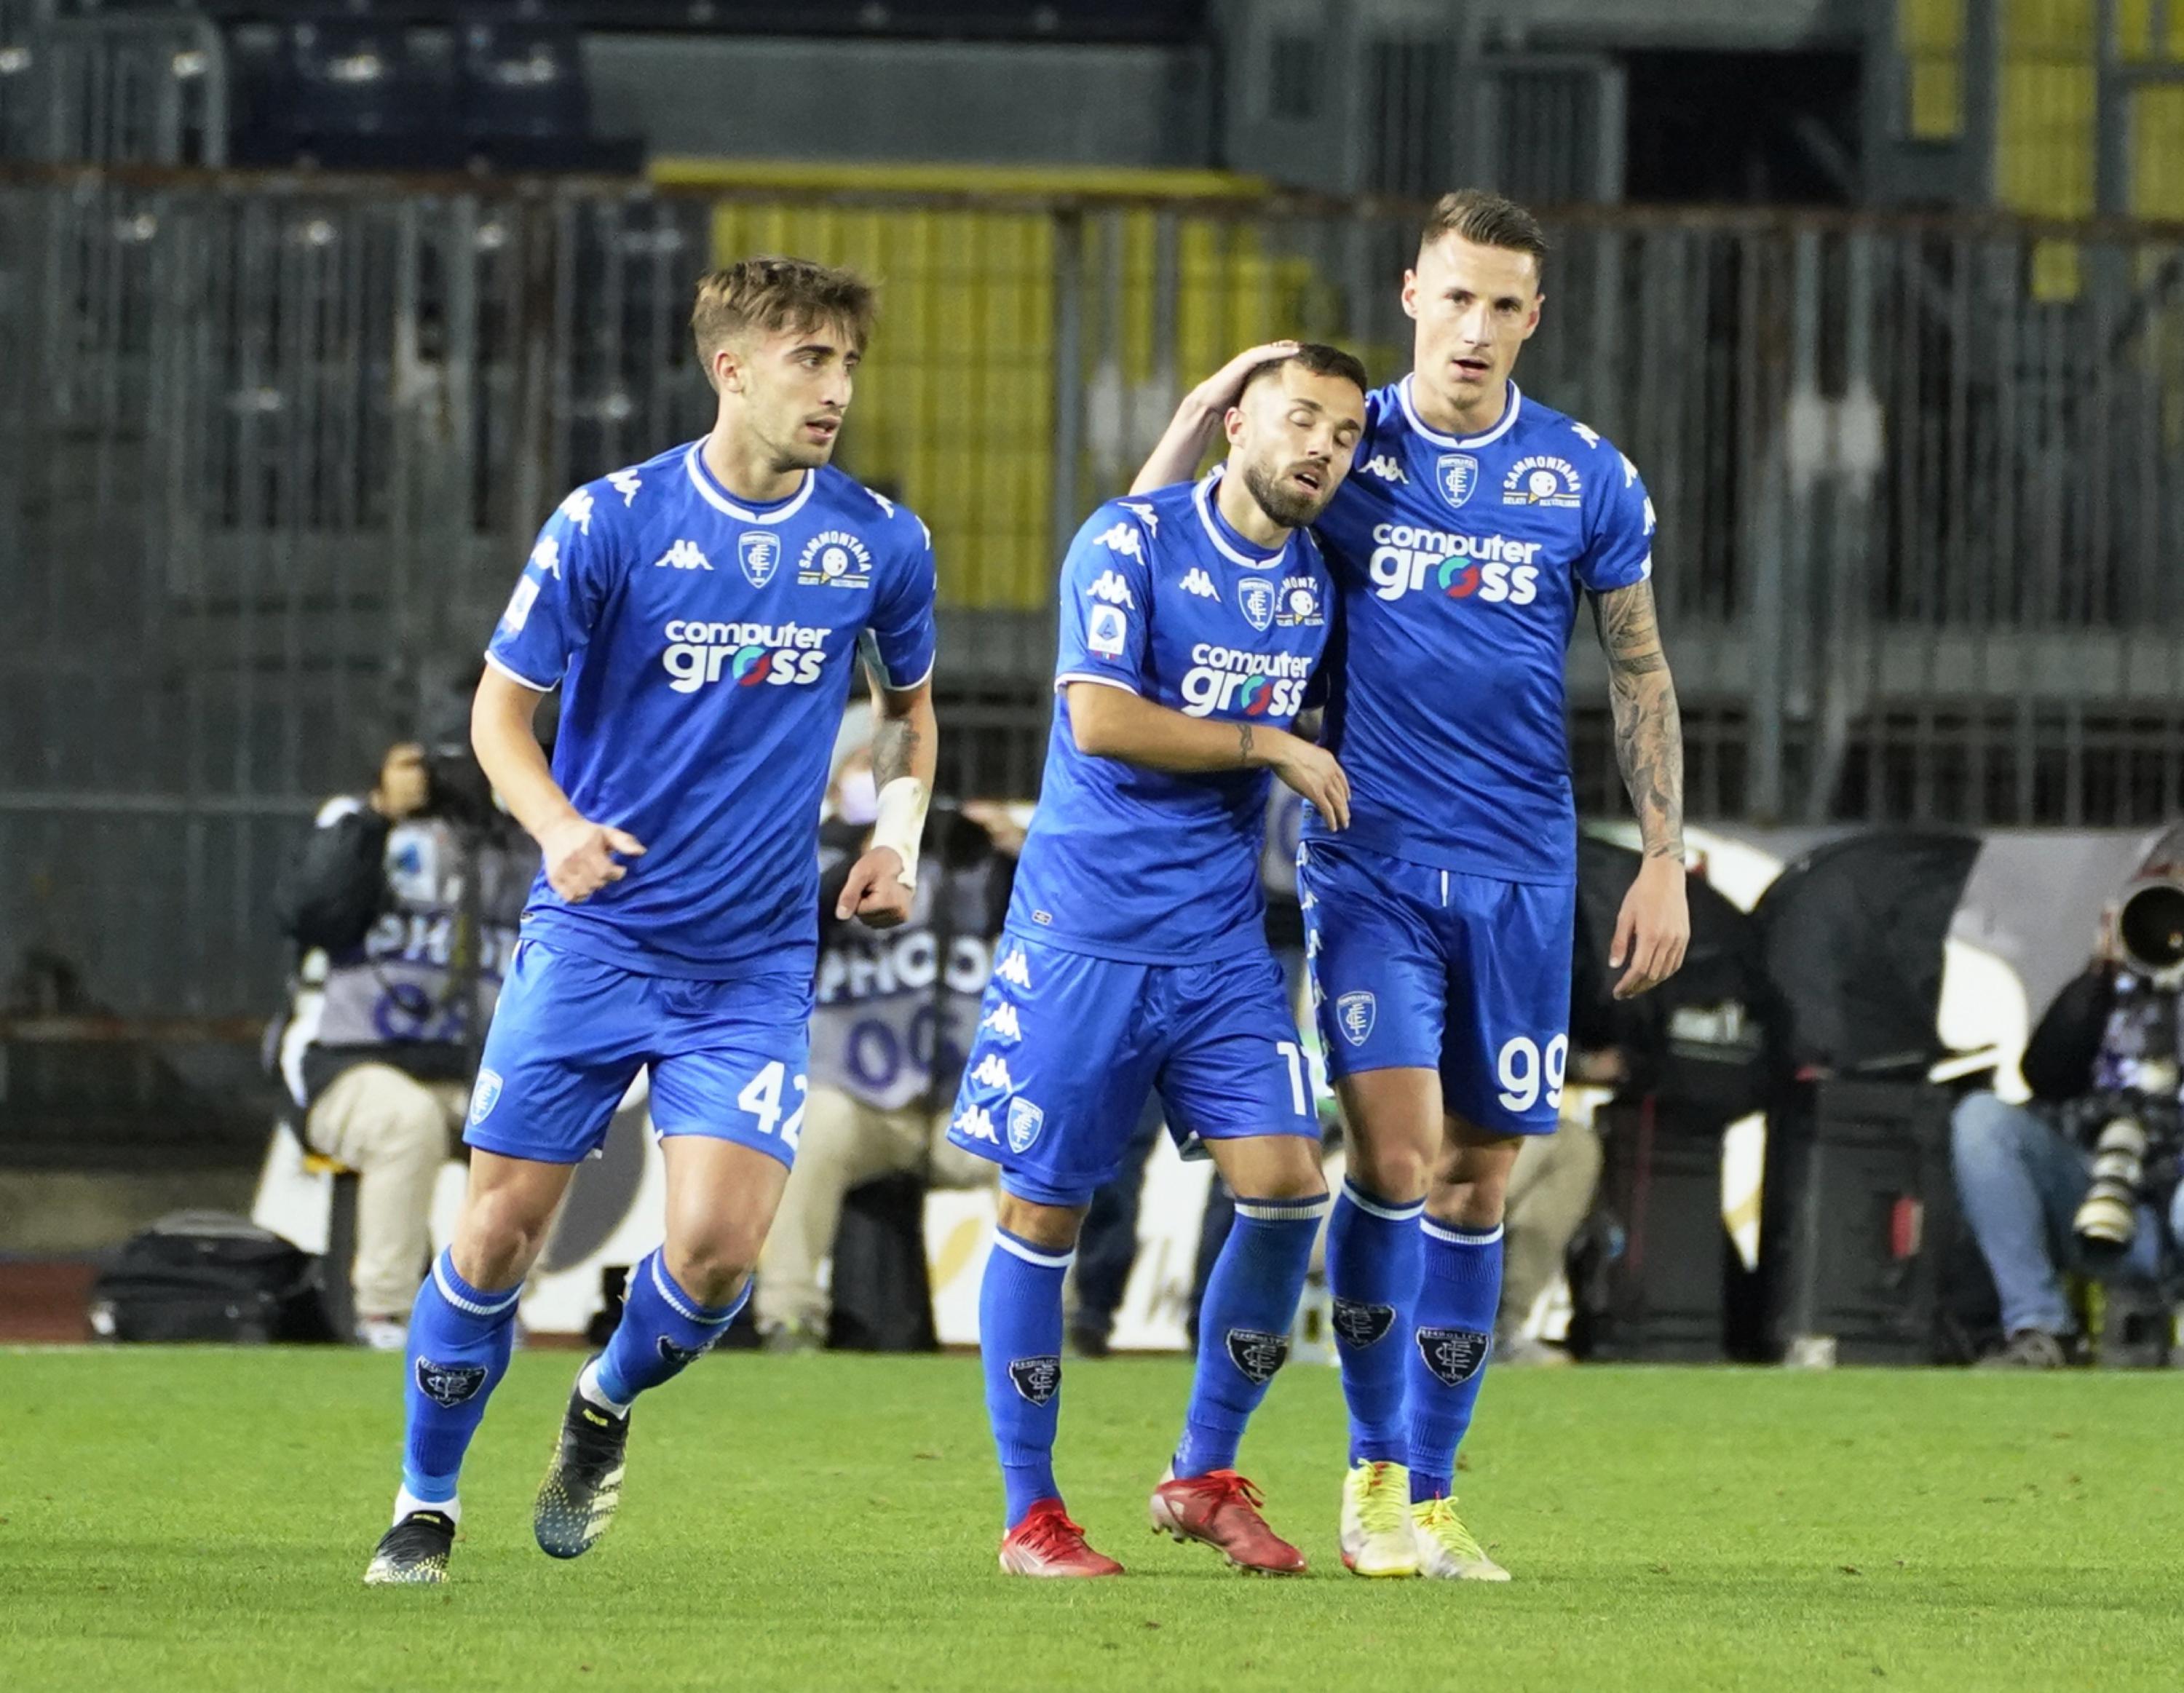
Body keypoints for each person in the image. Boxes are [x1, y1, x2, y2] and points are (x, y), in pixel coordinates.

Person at [1135, 189, 1690, 1580]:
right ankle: (1370, 1482)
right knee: (1388, 1160)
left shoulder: (1586, 476)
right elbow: (1156, 554)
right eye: (1456, 298)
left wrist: (1666, 858)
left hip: (1523, 871)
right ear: (1410, 295)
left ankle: (1431, 1493)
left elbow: (1638, 668)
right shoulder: (1343, 444)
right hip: (1369, 863)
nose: (1478, 328)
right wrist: (1208, 409)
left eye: (1507, 305)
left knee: (1479, 1181)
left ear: (1534, 319)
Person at [364, 257, 940, 1585]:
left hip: (747, 960)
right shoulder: (610, 522)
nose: (836, 387)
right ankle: (425, 1502)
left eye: (847, 362)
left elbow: (912, 710)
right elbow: (498, 717)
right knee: (499, 1232)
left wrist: (893, 838)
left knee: (718, 1256)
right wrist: (560, 828)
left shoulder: (878, 540)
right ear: (730, 368)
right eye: (808, 358)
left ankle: (602, 1405)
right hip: (596, 936)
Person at [946, 342, 1366, 1578]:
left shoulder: (1315, 586)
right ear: (1237, 423)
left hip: (1221, 944)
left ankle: (1200, 1471)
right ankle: (1033, 1515)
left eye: (1344, 436)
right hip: (1085, 934)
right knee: (1044, 1213)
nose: (1323, 451)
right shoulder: (1126, 540)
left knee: (1290, 1189)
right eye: (1301, 420)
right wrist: (1268, 746)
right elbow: (1101, 718)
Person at [754, 740, 1018, 1350]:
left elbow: (1070, 916)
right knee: (809, 1129)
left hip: (963, 1107)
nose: (876, 780)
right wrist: (854, 848)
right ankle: (787, 1316)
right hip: (861, 1104)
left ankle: (1042, 1329)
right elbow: (783, 924)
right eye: (861, 764)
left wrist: (1020, 851)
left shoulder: (978, 861)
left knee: (1034, 1145)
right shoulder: (819, 858)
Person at [273, 739, 532, 1349]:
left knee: (540, 1120)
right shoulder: (357, 823)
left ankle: (492, 1307)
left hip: (468, 1069)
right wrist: (381, 812)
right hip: (345, 1064)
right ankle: (386, 1315)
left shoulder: (527, 839)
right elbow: (308, 915)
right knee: (405, 1120)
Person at [1952, 941, 2182, 1368]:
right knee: (1982, 1119)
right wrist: (2096, 978)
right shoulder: (2116, 986)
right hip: (2096, 1194)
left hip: (2174, 1199)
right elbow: (2044, 1074)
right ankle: (2042, 1329)